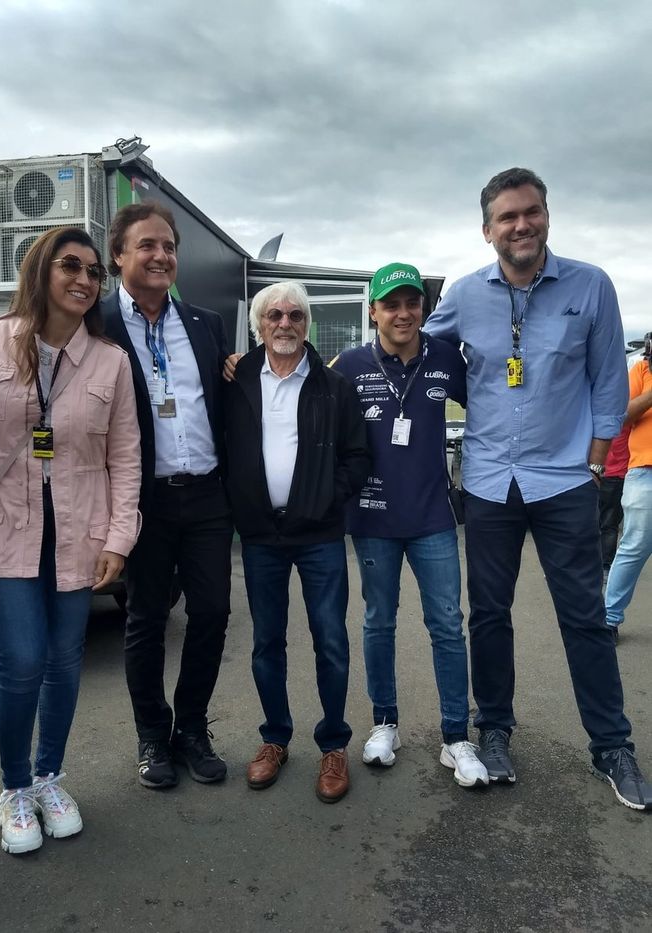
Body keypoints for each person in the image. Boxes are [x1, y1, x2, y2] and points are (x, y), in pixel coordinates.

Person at [424, 167, 652, 810]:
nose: (520, 225)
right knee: (489, 616)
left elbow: (610, 377)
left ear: (546, 214)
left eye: (531, 212)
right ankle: (494, 731)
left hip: (564, 481)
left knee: (584, 616)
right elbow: (419, 348)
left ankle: (612, 746)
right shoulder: (467, 295)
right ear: (488, 229)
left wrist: (597, 455)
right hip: (491, 480)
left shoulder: (591, 285)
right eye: (507, 217)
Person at [0, 227, 142, 853]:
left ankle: (48, 777)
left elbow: (125, 456)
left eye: (93, 271)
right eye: (71, 266)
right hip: (8, 528)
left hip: (79, 534)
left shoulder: (110, 360)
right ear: (42, 271)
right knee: (23, 662)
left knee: (64, 664)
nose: (85, 280)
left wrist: (119, 537)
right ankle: (13, 789)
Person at [330, 262, 488, 788]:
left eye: (411, 303)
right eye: (391, 304)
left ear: (423, 307)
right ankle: (385, 724)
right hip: (372, 519)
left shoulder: (446, 358)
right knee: (379, 621)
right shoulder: (348, 365)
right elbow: (305, 410)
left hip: (433, 519)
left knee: (446, 623)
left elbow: (492, 402)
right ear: (372, 311)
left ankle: (455, 736)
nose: (403, 313)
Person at [101, 202, 233, 789]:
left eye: (169, 246)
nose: (161, 256)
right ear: (118, 257)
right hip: (141, 501)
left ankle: (192, 730)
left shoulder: (205, 324)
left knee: (211, 613)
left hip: (206, 497)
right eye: (147, 246)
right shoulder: (96, 325)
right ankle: (153, 735)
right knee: (147, 619)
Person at [224, 281, 368, 803]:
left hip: (319, 534)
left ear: (307, 324)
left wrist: (329, 497)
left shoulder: (333, 385)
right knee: (267, 641)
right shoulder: (236, 378)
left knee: (330, 639)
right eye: (275, 315)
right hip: (261, 533)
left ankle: (333, 743)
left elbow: (358, 454)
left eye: (296, 316)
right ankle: (275, 738)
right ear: (259, 324)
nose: (285, 323)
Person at [605, 333, 652, 637]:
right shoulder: (641, 371)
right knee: (635, 545)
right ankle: (609, 618)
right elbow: (619, 416)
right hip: (646, 471)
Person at [598, 425, 630, 584]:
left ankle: (602, 565)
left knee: (592, 522)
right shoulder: (629, 413)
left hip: (598, 471)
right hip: (616, 474)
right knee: (609, 524)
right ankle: (604, 567)